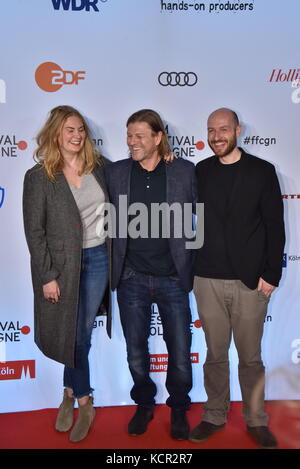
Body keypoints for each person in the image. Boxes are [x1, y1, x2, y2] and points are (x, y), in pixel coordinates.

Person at [189, 108, 285, 449]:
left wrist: (271, 274)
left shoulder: (262, 171)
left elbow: (275, 226)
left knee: (250, 358)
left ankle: (256, 420)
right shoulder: (200, 171)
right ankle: (214, 415)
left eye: (224, 129)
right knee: (214, 355)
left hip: (250, 283)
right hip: (206, 279)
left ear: (238, 130)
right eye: (211, 129)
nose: (217, 135)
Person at [104, 109, 197, 440]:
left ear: (159, 137)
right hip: (131, 279)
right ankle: (143, 404)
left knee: (181, 352)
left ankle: (179, 409)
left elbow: (207, 214)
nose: (132, 142)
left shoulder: (184, 171)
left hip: (173, 278)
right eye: (129, 135)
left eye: (140, 135)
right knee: (135, 352)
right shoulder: (115, 173)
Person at [23, 105, 111, 442]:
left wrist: (166, 158)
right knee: (71, 335)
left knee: (80, 334)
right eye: (69, 130)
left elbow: (137, 173)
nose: (76, 136)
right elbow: (35, 232)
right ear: (56, 133)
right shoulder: (39, 176)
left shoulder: (99, 168)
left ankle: (69, 393)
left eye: (80, 130)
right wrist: (46, 276)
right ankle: (84, 398)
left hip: (99, 259)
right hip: (61, 267)